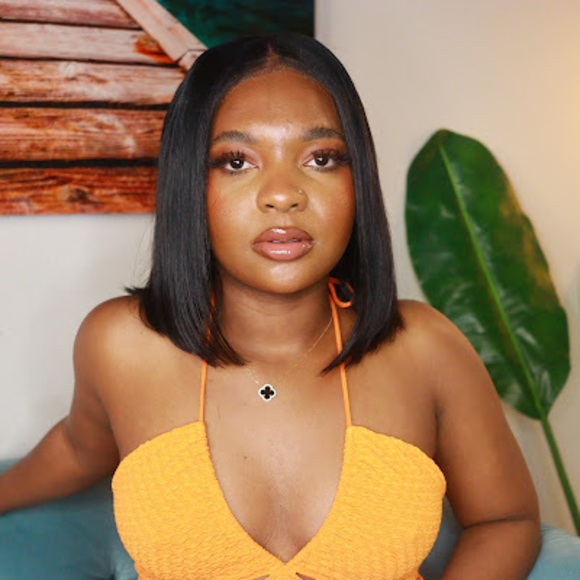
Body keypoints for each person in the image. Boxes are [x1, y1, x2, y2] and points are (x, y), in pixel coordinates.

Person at [0, 33, 540, 580]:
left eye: (321, 158)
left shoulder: (426, 349)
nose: (283, 194)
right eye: (236, 161)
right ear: (191, 182)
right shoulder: (120, 345)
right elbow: (78, 448)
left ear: (357, 178)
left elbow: (506, 519)